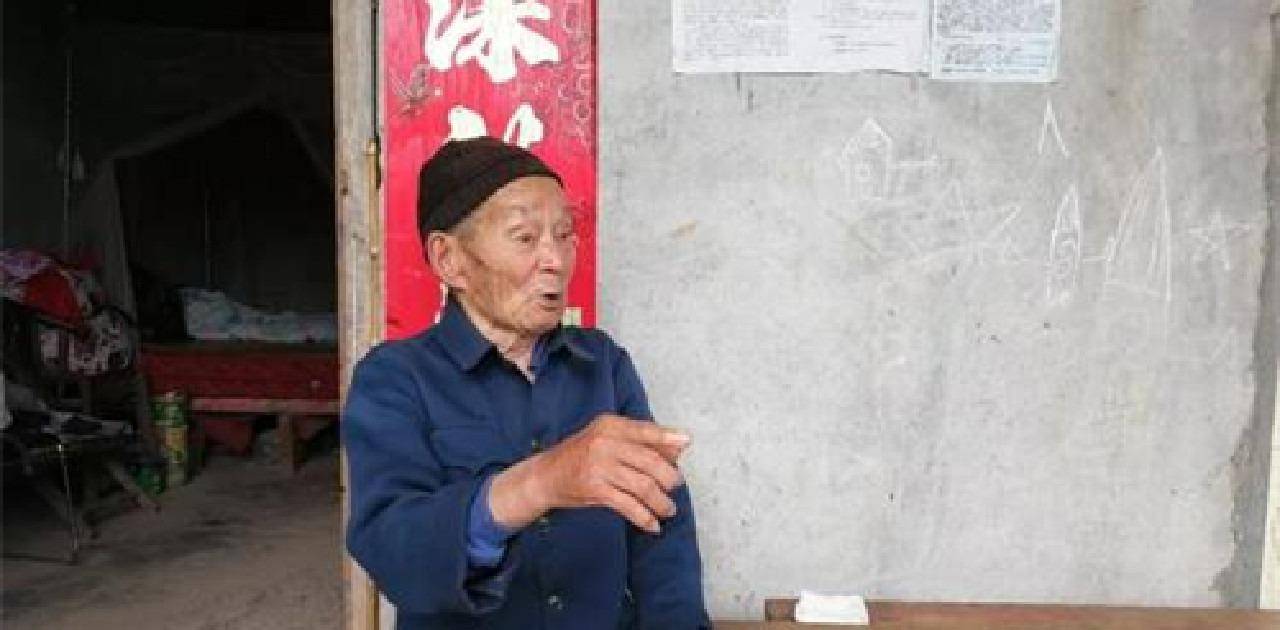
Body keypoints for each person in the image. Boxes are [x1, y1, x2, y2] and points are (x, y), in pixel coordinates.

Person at [343, 137, 710, 629]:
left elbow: (663, 530)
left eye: (564, 234)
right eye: (525, 238)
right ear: (450, 259)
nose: (555, 259)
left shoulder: (603, 365)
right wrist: (541, 482)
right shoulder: (394, 378)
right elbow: (392, 550)